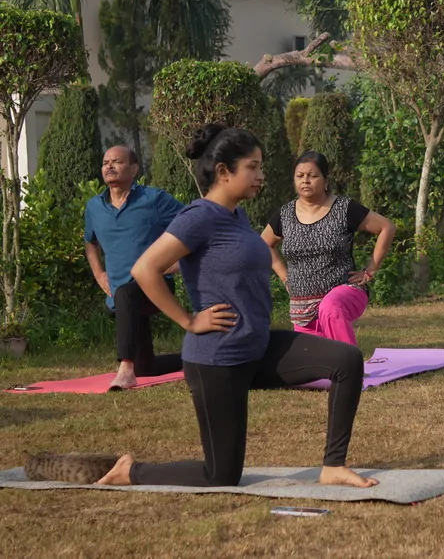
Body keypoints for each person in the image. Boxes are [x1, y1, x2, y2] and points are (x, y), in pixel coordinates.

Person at [96, 124, 376, 489]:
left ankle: (333, 466)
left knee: (346, 360)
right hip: (218, 360)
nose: (261, 175)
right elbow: (144, 269)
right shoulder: (198, 217)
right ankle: (130, 471)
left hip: (257, 346)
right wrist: (189, 321)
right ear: (224, 172)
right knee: (221, 475)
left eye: (261, 166)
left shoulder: (236, 216)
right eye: (253, 167)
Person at [261, 151, 395, 345]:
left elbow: (386, 227)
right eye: (300, 176)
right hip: (302, 309)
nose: (305, 181)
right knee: (313, 361)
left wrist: (370, 269)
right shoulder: (285, 214)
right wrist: (284, 276)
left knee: (330, 308)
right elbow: (264, 244)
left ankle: (350, 363)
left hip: (344, 292)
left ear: (325, 180)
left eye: (312, 175)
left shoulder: (344, 208)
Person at [84, 145, 185, 390]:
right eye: (105, 162)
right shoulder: (94, 207)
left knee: (126, 294)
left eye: (117, 162)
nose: (109, 166)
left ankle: (125, 370)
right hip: (119, 296)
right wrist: (99, 273)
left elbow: (194, 224)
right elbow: (90, 242)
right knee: (146, 367)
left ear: (134, 168)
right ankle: (195, 359)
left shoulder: (154, 199)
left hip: (155, 287)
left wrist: (178, 263)